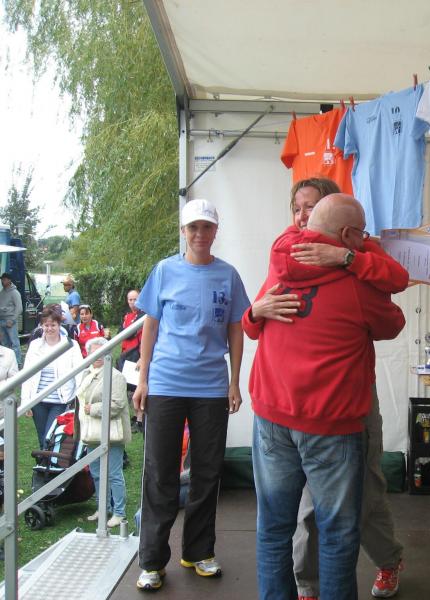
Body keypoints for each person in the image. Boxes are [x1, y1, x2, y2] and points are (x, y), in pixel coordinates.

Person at [245, 194, 406, 600]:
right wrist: (358, 256)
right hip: (331, 426)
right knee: (337, 534)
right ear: (349, 235)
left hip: (272, 416)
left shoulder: (280, 260)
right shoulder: (358, 286)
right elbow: (394, 321)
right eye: (361, 234)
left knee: (273, 529)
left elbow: (252, 324)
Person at [132, 198, 250, 592]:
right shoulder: (165, 270)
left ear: (216, 231)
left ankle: (198, 552)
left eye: (207, 227)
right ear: (183, 231)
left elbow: (236, 329)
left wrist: (234, 381)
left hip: (211, 388)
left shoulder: (228, 275)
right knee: (160, 473)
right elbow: (150, 327)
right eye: (193, 227)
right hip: (166, 384)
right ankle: (152, 561)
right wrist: (143, 380)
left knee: (207, 472)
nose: (200, 234)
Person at [77, 336, 130, 528]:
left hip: (111, 433)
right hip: (92, 432)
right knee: (97, 473)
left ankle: (119, 512)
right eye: (94, 353)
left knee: (113, 473)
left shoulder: (116, 376)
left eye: (102, 352)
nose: (98, 356)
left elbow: (117, 405)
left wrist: (92, 409)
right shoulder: (86, 374)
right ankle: (103, 508)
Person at [21, 307, 84, 449]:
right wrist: (26, 402)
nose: (49, 329)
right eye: (46, 325)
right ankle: (44, 461)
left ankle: (48, 460)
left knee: (50, 437)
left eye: (53, 325)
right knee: (42, 437)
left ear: (59, 325)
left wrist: (79, 398)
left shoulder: (71, 345)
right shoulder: (35, 345)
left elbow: (79, 373)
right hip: (38, 400)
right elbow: (27, 375)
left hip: (60, 400)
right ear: (41, 326)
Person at [117, 289, 145, 368]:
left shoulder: (144, 314)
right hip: (125, 353)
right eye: (130, 300)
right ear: (128, 301)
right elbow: (119, 333)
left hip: (136, 354)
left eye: (135, 299)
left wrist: (125, 332)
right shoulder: (127, 316)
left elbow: (130, 334)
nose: (133, 302)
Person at [0, 272, 23, 366]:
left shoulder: (15, 293)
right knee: (4, 344)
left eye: (4, 279)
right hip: (1, 321)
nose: (2, 281)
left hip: (10, 321)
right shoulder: (2, 292)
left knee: (14, 343)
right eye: (2, 279)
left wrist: (12, 320)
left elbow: (19, 308)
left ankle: (18, 363)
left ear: (9, 280)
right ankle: (7, 363)